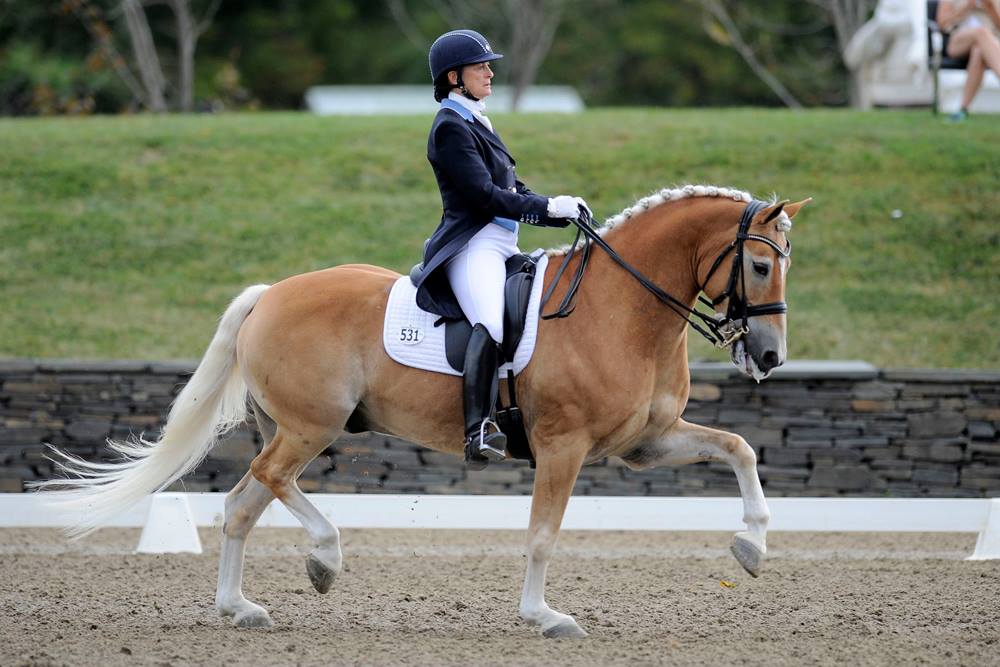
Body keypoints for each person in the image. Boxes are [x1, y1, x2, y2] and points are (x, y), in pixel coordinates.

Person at [410, 29, 590, 469]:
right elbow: (484, 197)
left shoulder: (475, 120)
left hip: (502, 243)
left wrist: (557, 210)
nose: (490, 72)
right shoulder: (450, 127)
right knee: (489, 320)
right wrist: (546, 207)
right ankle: (477, 430)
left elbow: (511, 185)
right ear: (454, 77)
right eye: (480, 66)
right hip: (472, 246)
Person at [937, 0, 1000, 120]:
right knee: (981, 32)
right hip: (958, 42)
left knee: (979, 51)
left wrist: (989, 7)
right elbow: (942, 24)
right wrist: (967, 7)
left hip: (986, 45)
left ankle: (962, 110)